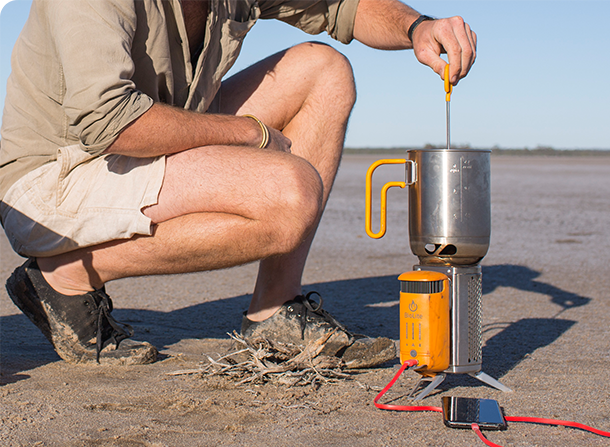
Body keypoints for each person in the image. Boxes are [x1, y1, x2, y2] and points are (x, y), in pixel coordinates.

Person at [0, 0, 477, 366]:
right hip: (57, 176)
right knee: (289, 196)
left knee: (324, 71)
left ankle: (274, 312)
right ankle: (62, 276)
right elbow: (110, 121)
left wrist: (418, 26)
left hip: (151, 140)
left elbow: (342, 8)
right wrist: (250, 134)